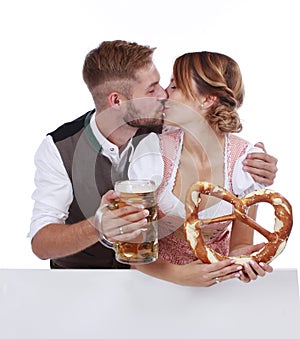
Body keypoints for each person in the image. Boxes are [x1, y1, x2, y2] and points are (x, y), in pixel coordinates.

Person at [30, 40, 277, 277]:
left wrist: (258, 165)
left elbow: (212, 134)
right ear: (117, 100)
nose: (163, 94)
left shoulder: (169, 126)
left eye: (166, 84)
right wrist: (98, 225)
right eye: (152, 89)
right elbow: (41, 243)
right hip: (80, 279)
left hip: (160, 282)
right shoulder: (59, 148)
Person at [100, 51, 275, 286]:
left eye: (175, 85)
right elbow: (135, 252)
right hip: (152, 289)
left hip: (216, 292)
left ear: (206, 100)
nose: (164, 94)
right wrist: (179, 276)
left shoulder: (245, 163)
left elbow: (240, 244)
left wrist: (243, 261)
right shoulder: (153, 153)